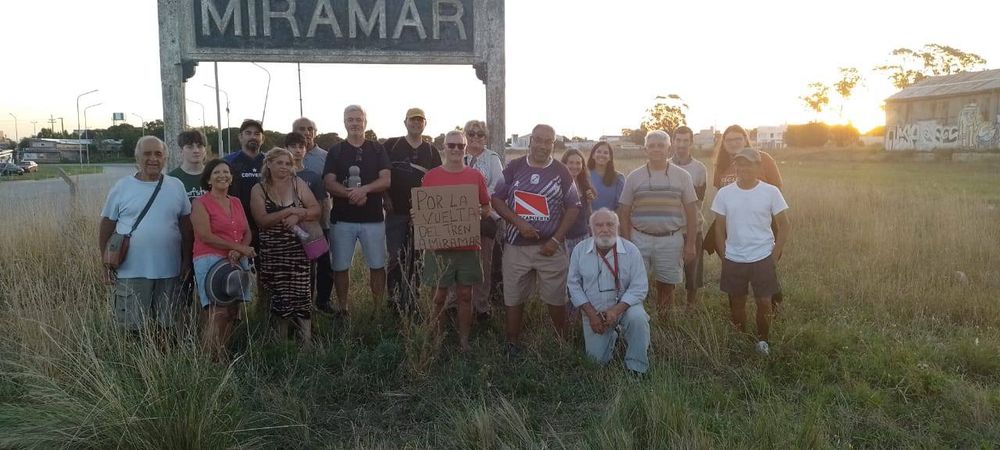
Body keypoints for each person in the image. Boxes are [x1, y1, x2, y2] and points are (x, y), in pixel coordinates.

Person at [491, 124, 581, 357]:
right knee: (513, 296)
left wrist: (556, 239)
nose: (542, 145)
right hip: (516, 246)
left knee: (556, 297)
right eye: (538, 140)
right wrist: (518, 223)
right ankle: (512, 343)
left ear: (553, 143)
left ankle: (561, 343)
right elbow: (497, 199)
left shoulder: (561, 171)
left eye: (548, 141)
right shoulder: (514, 167)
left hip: (550, 248)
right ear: (531, 140)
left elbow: (574, 207)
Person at [98, 136, 193, 335]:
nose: (153, 159)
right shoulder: (122, 187)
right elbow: (107, 225)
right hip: (131, 271)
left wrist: (186, 262)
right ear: (137, 157)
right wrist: (105, 264)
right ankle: (135, 365)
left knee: (167, 326)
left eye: (158, 154)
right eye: (147, 154)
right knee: (133, 328)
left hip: (170, 270)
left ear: (165, 158)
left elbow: (186, 227)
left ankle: (162, 364)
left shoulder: (176, 186)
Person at [710, 148, 790, 356]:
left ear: (759, 166)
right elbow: (718, 228)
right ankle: (741, 337)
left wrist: (774, 255)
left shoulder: (771, 192)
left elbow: (784, 225)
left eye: (749, 164)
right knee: (737, 302)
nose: (744, 168)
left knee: (764, 301)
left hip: (763, 255)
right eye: (740, 163)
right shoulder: (724, 194)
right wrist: (725, 255)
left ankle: (762, 340)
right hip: (734, 257)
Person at [421, 130, 491, 352]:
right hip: (438, 247)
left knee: (465, 295)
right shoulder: (431, 177)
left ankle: (464, 341)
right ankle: (438, 340)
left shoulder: (475, 176)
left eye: (460, 146)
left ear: (466, 148)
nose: (455, 150)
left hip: (468, 245)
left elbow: (487, 208)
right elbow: (424, 209)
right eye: (451, 145)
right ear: (444, 147)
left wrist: (478, 212)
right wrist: (418, 217)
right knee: (439, 296)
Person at [618, 130, 698, 319]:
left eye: (661, 145)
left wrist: (691, 243)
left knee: (667, 286)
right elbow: (624, 211)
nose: (656, 149)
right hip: (639, 239)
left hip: (670, 239)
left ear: (668, 148)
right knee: (635, 284)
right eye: (652, 145)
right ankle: (637, 322)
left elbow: (692, 212)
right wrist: (627, 242)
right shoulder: (634, 177)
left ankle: (664, 323)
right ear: (645, 149)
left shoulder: (682, 176)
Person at [704, 124, 786, 308]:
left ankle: (772, 303)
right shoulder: (721, 165)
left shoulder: (763, 159)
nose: (733, 143)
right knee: (733, 266)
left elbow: (776, 190)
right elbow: (720, 195)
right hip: (731, 224)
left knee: (765, 266)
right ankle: (736, 304)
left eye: (737, 139)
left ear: (746, 139)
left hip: (761, 221)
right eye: (729, 140)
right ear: (723, 143)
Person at [323, 105, 391, 316]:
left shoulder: (378, 149)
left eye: (358, 119)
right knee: (341, 266)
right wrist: (350, 193)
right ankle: (343, 308)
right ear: (344, 123)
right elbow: (328, 182)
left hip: (373, 219)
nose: (354, 123)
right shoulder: (336, 151)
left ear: (365, 122)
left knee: (377, 265)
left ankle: (377, 309)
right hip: (342, 219)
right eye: (350, 119)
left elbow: (386, 179)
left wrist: (365, 190)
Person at [250, 148, 321, 343]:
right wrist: (287, 212)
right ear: (269, 164)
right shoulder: (259, 189)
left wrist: (299, 213)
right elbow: (262, 221)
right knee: (279, 294)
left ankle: (306, 340)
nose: (284, 167)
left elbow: (316, 210)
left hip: (298, 249)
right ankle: (281, 341)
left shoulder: (298, 184)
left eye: (288, 163)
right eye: (279, 163)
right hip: (273, 251)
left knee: (302, 292)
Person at [567, 209, 650, 374]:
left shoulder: (631, 250)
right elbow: (573, 285)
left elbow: (639, 286)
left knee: (638, 318)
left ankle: (636, 367)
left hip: (624, 308)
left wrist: (616, 310)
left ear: (617, 227)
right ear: (591, 229)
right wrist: (591, 314)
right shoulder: (579, 250)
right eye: (599, 225)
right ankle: (614, 336)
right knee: (596, 364)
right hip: (595, 313)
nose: (605, 229)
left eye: (610, 224)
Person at [190, 158, 255, 361]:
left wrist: (239, 250)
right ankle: (207, 359)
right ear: (208, 179)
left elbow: (247, 232)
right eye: (217, 172)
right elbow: (205, 235)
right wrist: (237, 247)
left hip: (235, 260)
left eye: (226, 172)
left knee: (232, 312)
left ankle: (222, 354)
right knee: (217, 312)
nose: (222, 175)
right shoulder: (200, 203)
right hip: (210, 260)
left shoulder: (235, 202)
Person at [382, 108, 442, 313]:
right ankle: (394, 298)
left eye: (420, 120)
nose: (416, 123)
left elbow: (436, 182)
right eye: (412, 120)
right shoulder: (391, 145)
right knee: (395, 256)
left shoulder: (432, 151)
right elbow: (382, 175)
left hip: (421, 214)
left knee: (416, 257)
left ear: (425, 123)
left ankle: (412, 299)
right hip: (395, 211)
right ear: (405, 122)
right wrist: (385, 197)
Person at [445, 119, 505, 320]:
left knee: (483, 265)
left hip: (484, 217)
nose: (475, 137)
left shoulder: (492, 159)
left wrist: (475, 202)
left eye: (480, 134)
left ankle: (481, 306)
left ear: (486, 137)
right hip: (458, 219)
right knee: (456, 262)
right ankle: (454, 303)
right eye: (471, 133)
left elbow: (497, 187)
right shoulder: (456, 155)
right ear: (465, 135)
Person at [285, 131, 335, 314]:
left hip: (314, 228)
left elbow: (323, 203)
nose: (298, 150)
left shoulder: (313, 176)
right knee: (295, 269)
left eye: (301, 147)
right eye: (293, 146)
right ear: (286, 149)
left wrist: (324, 228)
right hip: (287, 230)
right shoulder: (280, 174)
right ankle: (295, 307)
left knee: (318, 267)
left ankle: (318, 303)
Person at [670, 126, 708, 311]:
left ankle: (691, 305)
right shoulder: (665, 165)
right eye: (678, 140)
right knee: (669, 268)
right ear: (673, 141)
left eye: (686, 141)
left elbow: (698, 200)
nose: (681, 145)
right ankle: (667, 303)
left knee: (693, 270)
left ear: (691, 143)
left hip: (693, 227)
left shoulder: (699, 169)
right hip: (670, 228)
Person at [224, 119, 266, 246]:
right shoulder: (228, 162)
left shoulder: (270, 162)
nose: (253, 136)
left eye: (257, 133)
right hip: (237, 225)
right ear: (240, 137)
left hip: (267, 225)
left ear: (262, 138)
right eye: (248, 133)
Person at [560, 148, 595, 253]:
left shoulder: (585, 186)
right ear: (564, 164)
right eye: (570, 162)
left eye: (578, 163)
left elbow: (588, 213)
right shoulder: (557, 185)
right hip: (564, 239)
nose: (574, 166)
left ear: (582, 166)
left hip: (583, 237)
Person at [168, 130, 208, 201]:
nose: (196, 150)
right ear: (181, 150)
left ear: (205, 150)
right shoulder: (171, 179)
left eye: (200, 146)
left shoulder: (215, 175)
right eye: (190, 147)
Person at [587, 141, 625, 212]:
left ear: (610, 157)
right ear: (593, 155)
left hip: (611, 221)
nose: (602, 155)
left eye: (606, 153)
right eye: (598, 152)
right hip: (588, 220)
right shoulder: (585, 176)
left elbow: (621, 206)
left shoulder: (618, 178)